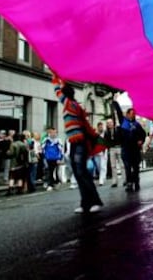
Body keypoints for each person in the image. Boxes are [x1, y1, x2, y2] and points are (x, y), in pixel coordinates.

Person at [54, 78, 104, 213]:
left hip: (79, 143)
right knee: (79, 173)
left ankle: (95, 201)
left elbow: (57, 91)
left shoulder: (69, 104)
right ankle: (86, 203)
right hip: (75, 143)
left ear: (66, 94)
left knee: (81, 173)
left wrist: (56, 78)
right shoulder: (74, 104)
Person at [112, 100, 146, 190]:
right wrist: (115, 102)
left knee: (135, 167)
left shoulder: (137, 124)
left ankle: (136, 182)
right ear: (127, 114)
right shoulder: (123, 121)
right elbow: (119, 111)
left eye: (134, 114)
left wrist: (141, 141)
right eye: (131, 113)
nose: (133, 115)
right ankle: (129, 183)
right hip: (126, 149)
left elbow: (143, 134)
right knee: (127, 167)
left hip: (135, 149)